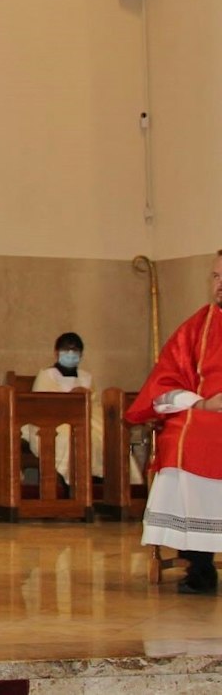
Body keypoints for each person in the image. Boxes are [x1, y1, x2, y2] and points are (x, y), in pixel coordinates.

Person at [127, 251, 222, 594]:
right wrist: (203, 403)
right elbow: (165, 383)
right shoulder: (199, 325)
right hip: (206, 415)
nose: (220, 285)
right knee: (183, 434)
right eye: (215, 277)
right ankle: (199, 564)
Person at [26, 331, 117, 483]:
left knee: (105, 435)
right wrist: (70, 397)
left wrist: (85, 396)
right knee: (70, 435)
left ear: (81, 355)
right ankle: (74, 480)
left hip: (85, 418)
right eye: (66, 350)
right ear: (56, 353)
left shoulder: (86, 377)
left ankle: (99, 479)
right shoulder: (47, 375)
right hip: (53, 422)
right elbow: (42, 404)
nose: (70, 354)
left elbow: (95, 405)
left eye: (74, 351)